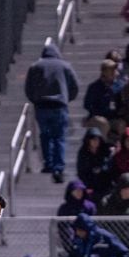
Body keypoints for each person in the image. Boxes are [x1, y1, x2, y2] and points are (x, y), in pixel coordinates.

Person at [25, 44, 80, 184]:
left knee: (45, 136)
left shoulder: (35, 66)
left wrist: (35, 100)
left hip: (42, 106)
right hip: (59, 106)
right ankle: (59, 167)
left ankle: (48, 165)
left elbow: (28, 88)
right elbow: (75, 86)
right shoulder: (65, 66)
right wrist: (67, 98)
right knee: (59, 137)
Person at [83, 59, 123, 134]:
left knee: (121, 124)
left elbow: (123, 103)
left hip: (114, 117)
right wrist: (97, 112)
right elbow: (87, 105)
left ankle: (120, 145)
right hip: (98, 117)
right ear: (104, 72)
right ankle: (105, 145)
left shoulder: (120, 85)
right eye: (111, 69)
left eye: (115, 69)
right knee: (103, 123)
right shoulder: (94, 87)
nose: (114, 71)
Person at [57, 180, 98, 251]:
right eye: (76, 190)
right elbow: (62, 225)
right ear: (70, 192)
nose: (79, 193)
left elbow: (94, 223)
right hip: (70, 237)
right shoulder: (64, 207)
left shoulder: (90, 206)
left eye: (81, 190)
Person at [76, 128, 114, 199]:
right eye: (93, 139)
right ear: (88, 140)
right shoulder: (83, 153)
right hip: (90, 183)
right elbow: (81, 171)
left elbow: (109, 165)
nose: (95, 142)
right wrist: (87, 186)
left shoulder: (105, 150)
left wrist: (101, 169)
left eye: (97, 139)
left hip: (104, 182)